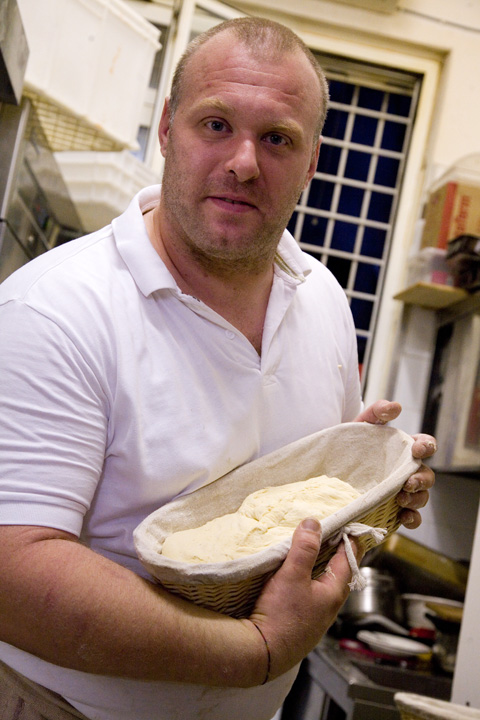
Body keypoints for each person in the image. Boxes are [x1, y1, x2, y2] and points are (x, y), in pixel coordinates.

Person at [0, 16, 435, 720]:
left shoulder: (321, 298)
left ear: (312, 160)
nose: (243, 162)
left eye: (277, 138)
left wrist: (371, 493)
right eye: (215, 124)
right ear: (168, 130)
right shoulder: (57, 310)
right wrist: (256, 652)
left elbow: (295, 513)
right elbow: (13, 568)